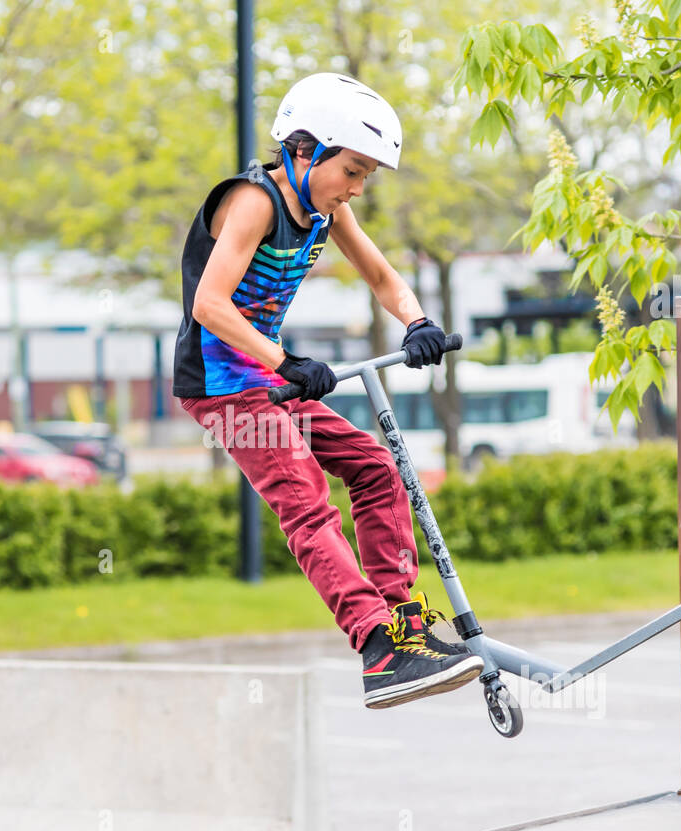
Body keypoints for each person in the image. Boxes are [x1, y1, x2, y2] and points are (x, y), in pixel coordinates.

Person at [173, 72, 484, 709]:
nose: (357, 187)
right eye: (353, 169)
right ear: (306, 149)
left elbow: (381, 275)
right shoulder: (254, 201)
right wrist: (284, 360)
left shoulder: (328, 210)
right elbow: (210, 303)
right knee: (306, 498)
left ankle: (405, 626)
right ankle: (376, 646)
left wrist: (418, 321)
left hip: (266, 378)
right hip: (222, 386)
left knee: (374, 466)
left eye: (367, 174)